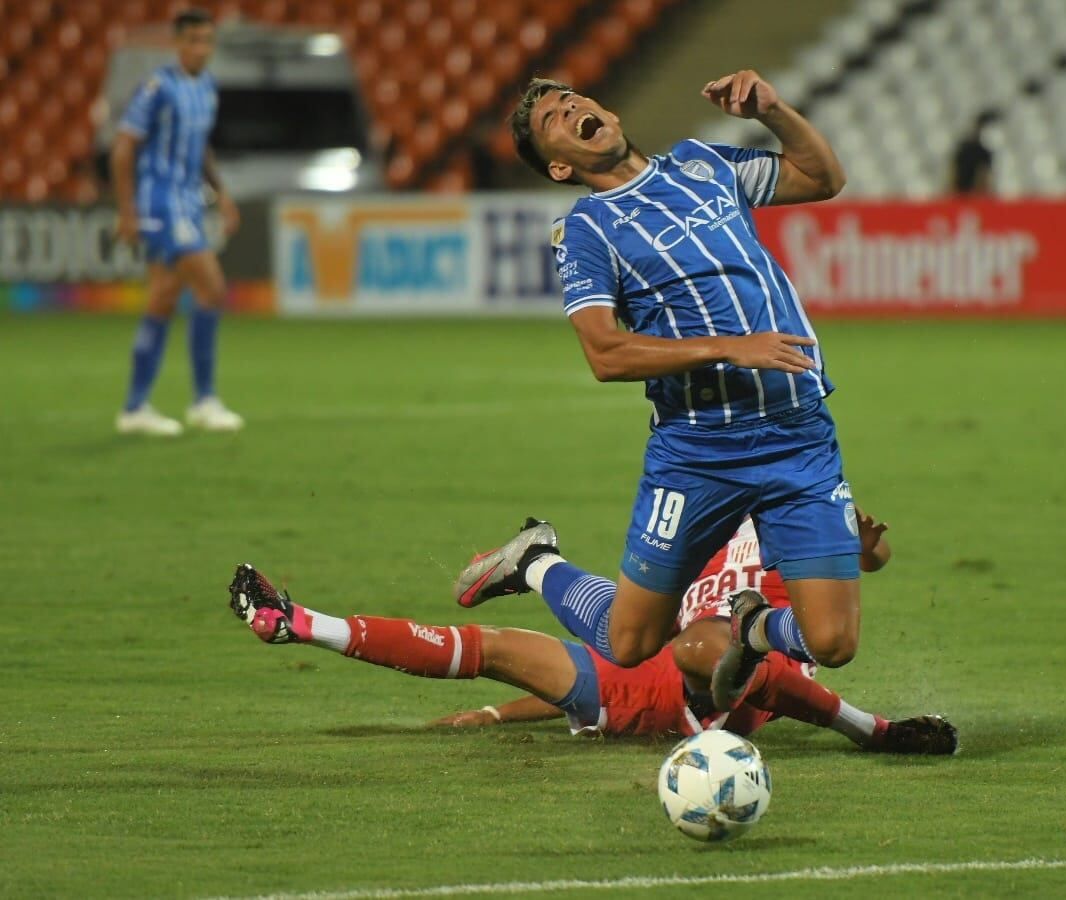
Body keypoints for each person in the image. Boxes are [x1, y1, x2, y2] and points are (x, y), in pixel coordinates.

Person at [456, 70, 859, 712]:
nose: (573, 109)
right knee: (631, 640)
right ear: (560, 168)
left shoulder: (703, 164)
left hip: (799, 438)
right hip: (698, 453)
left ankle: (751, 627)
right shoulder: (587, 230)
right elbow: (605, 353)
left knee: (832, 642)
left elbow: (822, 178)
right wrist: (732, 346)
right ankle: (536, 562)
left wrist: (774, 110)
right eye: (555, 120)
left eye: (573, 100)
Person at [225, 549, 956, 753]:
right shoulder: (739, 528)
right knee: (491, 647)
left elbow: (788, 686)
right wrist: (499, 713)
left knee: (709, 647)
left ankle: (538, 563)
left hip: (672, 684)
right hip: (654, 674)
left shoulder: (770, 530)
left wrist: (877, 730)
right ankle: (300, 622)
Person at [112, 8, 243, 436]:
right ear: (178, 43)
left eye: (207, 40)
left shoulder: (207, 87)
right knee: (212, 288)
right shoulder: (158, 88)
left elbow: (200, 146)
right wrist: (128, 211)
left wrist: (219, 192)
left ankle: (134, 408)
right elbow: (123, 148)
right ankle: (204, 400)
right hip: (160, 202)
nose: (201, 48)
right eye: (193, 40)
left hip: (188, 202)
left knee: (164, 297)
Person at [948, 111, 997, 195]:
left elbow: (984, 176)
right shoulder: (964, 149)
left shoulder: (983, 152)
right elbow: (954, 171)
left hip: (970, 194)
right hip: (962, 193)